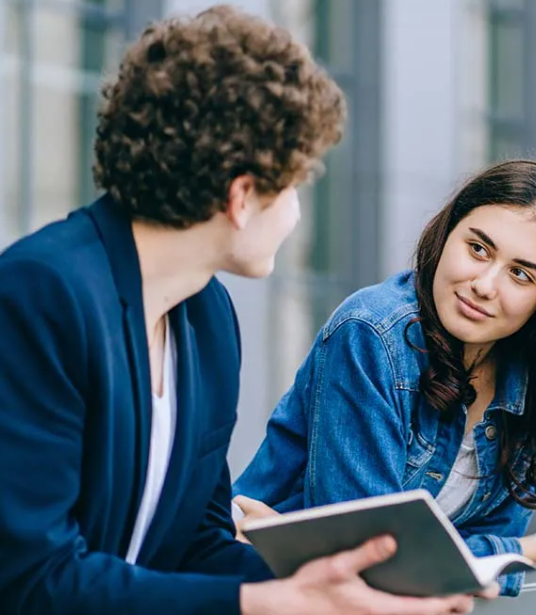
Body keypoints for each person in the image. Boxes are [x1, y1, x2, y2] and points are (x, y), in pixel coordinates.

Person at [0, 6, 475, 615]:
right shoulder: (42, 294)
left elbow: (194, 547)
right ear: (243, 195)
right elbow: (32, 580)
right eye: (295, 185)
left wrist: (352, 588)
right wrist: (273, 603)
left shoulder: (208, 319)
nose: (298, 214)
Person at [232, 159, 536, 596]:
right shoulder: (372, 334)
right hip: (263, 591)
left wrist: (465, 564)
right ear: (447, 233)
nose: (484, 285)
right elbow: (365, 557)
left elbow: (470, 580)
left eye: (520, 273)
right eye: (478, 249)